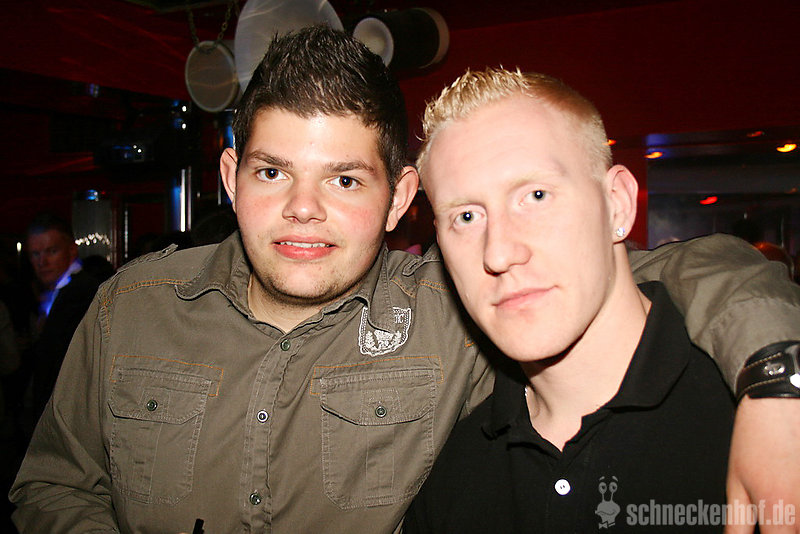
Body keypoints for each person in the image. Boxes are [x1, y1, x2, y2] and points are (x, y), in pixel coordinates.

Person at [8, 27, 800, 533]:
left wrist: (779, 377)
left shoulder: (453, 310)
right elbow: (51, 487)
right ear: (228, 177)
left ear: (400, 200)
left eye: (345, 179)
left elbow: (683, 269)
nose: (303, 209)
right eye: (273, 171)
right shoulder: (129, 306)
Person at [403, 68, 738, 532]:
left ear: (617, 204)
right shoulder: (451, 474)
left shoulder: (759, 419)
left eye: (536, 195)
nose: (498, 253)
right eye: (466, 216)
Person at [24, 213, 101, 426]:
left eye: (52, 251)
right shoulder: (58, 292)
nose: (42, 262)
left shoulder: (81, 294)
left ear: (72, 250)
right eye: (35, 254)